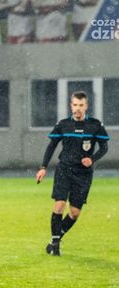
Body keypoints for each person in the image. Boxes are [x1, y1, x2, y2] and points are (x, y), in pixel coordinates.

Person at [36, 91, 110, 256]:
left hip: (83, 174)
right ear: (71, 106)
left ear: (86, 106)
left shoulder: (95, 125)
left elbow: (104, 147)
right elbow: (51, 146)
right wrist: (43, 167)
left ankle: (54, 240)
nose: (77, 108)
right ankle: (56, 245)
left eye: (81, 105)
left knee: (75, 213)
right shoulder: (63, 124)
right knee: (59, 204)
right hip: (64, 170)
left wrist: (92, 159)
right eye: (75, 105)